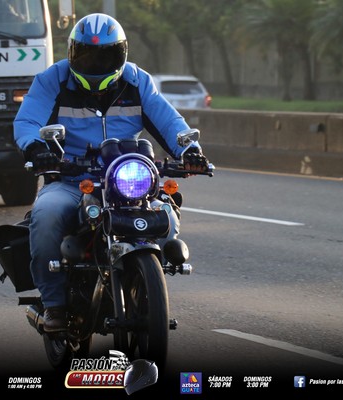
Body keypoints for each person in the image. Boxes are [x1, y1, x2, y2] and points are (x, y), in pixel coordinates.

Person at [13, 13, 210, 332]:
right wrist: (36, 148)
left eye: (105, 56)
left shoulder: (138, 81)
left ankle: (144, 288)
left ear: (122, 54)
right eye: (87, 56)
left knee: (166, 218)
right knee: (47, 215)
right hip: (73, 181)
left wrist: (190, 151)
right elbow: (28, 121)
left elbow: (170, 122)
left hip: (128, 181)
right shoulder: (52, 80)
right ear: (72, 54)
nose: (95, 64)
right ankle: (54, 305)